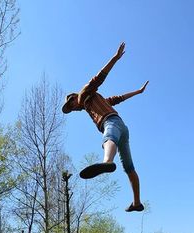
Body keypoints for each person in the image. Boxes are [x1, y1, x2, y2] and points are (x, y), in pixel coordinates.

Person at [62, 42, 147, 212]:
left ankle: (107, 162)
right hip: (123, 129)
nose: (74, 109)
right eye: (72, 109)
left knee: (108, 135)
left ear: (73, 98)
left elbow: (99, 77)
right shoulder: (96, 101)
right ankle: (137, 203)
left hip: (112, 124)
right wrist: (138, 92)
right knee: (129, 168)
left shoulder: (84, 93)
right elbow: (119, 98)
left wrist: (114, 58)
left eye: (71, 106)